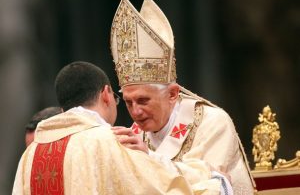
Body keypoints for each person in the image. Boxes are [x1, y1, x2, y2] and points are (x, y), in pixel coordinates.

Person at [110, 0, 255, 194]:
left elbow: (210, 185)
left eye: (143, 100)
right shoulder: (136, 134)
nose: (136, 111)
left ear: (172, 93)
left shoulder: (212, 123)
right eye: (128, 102)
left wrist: (149, 157)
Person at [12, 61, 224, 194]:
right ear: (106, 95)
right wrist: (214, 181)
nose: (135, 112)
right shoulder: (111, 141)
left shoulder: (30, 155)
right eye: (122, 100)